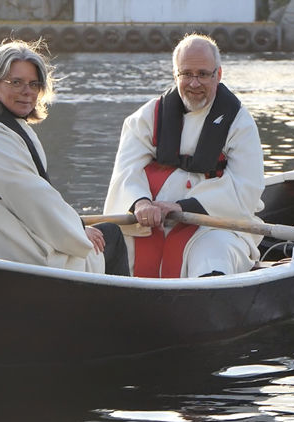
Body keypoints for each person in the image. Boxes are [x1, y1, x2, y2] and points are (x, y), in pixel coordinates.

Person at [0, 39, 129, 276]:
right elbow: (31, 195)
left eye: (34, 84)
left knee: (104, 233)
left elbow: (32, 195)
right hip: (9, 249)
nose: (27, 92)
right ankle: (117, 310)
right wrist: (77, 231)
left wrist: (74, 225)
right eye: (16, 83)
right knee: (112, 236)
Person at [104, 34, 265, 278]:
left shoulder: (239, 123)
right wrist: (141, 203)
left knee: (214, 255)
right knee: (100, 248)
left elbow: (246, 188)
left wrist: (183, 206)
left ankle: (206, 298)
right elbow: (127, 170)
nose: (194, 83)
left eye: (202, 74)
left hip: (213, 225)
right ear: (175, 75)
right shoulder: (147, 117)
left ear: (218, 75)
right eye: (186, 74)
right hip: (149, 223)